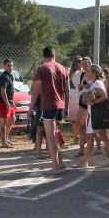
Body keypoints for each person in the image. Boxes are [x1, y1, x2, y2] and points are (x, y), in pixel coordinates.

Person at [31, 45, 69, 174]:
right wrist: (67, 106)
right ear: (54, 55)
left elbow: (36, 90)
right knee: (55, 134)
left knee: (50, 136)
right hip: (60, 105)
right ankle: (61, 162)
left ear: (43, 56)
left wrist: (30, 108)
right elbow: (67, 89)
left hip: (48, 105)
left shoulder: (42, 68)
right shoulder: (62, 68)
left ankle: (55, 167)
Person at [76, 64, 109, 168]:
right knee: (104, 138)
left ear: (94, 73)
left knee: (91, 137)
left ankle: (85, 161)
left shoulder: (97, 83)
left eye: (89, 71)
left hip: (97, 115)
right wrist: (84, 88)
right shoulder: (94, 83)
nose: (87, 72)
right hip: (96, 115)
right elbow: (84, 99)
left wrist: (95, 102)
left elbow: (104, 96)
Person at [0, 58, 16, 148]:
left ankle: (6, 139)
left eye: (11, 65)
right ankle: (3, 142)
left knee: (12, 119)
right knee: (3, 120)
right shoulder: (4, 77)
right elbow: (3, 91)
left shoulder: (10, 76)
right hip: (3, 102)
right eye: (8, 65)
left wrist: (11, 102)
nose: (10, 67)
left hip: (9, 102)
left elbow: (10, 91)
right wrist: (7, 104)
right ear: (4, 66)